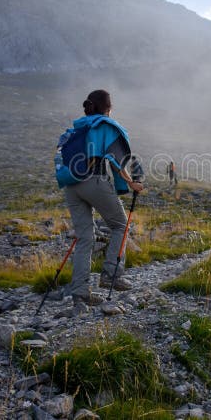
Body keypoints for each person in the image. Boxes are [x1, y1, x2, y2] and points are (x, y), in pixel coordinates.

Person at [60, 89, 144, 311]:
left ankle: (80, 294)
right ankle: (111, 275)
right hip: (93, 180)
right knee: (120, 225)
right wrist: (131, 184)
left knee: (84, 238)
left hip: (71, 185)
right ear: (109, 107)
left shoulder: (78, 127)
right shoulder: (105, 125)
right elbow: (116, 161)